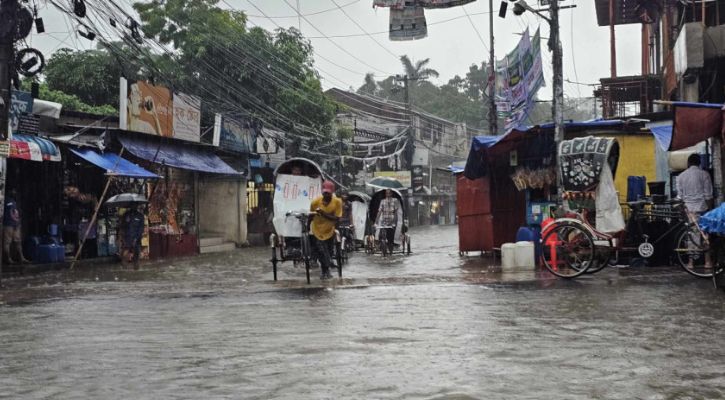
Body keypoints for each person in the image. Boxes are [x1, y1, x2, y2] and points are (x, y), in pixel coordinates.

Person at [676, 153, 713, 269]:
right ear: (699, 163)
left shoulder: (681, 176)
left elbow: (680, 197)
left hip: (689, 210)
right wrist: (710, 209)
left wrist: (682, 210)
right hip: (703, 208)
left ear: (688, 163)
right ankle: (707, 262)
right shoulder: (704, 174)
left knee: (691, 235)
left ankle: (691, 262)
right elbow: (708, 195)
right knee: (705, 234)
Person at [309, 180, 342, 280]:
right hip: (317, 229)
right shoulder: (315, 202)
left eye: (328, 193)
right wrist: (306, 227)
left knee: (329, 250)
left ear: (332, 192)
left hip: (329, 230)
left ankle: (327, 268)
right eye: (324, 193)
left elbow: (336, 218)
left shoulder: (337, 202)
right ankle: (325, 271)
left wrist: (323, 213)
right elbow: (310, 216)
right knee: (321, 250)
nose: (326, 194)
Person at [3, 189, 29, 264]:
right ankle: (8, 259)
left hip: (16, 224)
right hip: (8, 224)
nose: (14, 193)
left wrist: (18, 222)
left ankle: (21, 258)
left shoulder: (14, 202)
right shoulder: (5, 201)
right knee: (7, 242)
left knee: (18, 241)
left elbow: (16, 212)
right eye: (13, 191)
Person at [120, 204, 146, 270]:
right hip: (127, 237)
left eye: (134, 206)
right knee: (125, 253)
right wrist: (126, 222)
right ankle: (124, 268)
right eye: (132, 206)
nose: (133, 207)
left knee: (136, 255)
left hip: (137, 238)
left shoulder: (140, 216)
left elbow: (141, 229)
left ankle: (136, 269)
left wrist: (136, 238)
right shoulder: (126, 215)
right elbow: (122, 226)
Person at [375, 189, 399, 254]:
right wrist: (376, 221)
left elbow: (396, 212)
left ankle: (391, 251)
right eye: (386, 193)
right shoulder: (382, 201)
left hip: (392, 222)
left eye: (389, 193)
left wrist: (395, 222)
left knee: (390, 239)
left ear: (391, 194)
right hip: (384, 221)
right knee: (381, 235)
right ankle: (381, 246)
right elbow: (379, 211)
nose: (387, 195)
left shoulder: (395, 201)